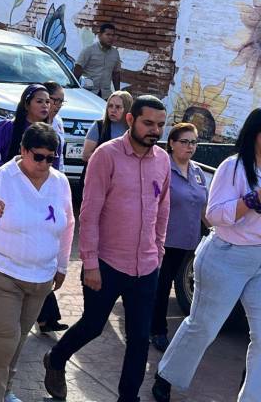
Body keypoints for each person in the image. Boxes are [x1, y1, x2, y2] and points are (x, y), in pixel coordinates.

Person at [44, 95, 170, 402]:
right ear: (130, 120)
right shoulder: (106, 156)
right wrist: (89, 263)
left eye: (160, 125)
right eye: (148, 123)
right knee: (93, 325)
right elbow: (90, 212)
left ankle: (128, 398)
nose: (155, 131)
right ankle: (57, 358)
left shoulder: (162, 159)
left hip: (147, 265)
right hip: (107, 263)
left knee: (139, 338)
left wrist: (158, 248)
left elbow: (163, 206)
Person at [0, 122, 75, 402]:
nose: (44, 163)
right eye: (38, 156)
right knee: (1, 339)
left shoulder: (59, 182)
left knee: (17, 340)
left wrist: (62, 264)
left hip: (39, 279)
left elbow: (68, 225)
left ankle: (5, 389)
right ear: (22, 150)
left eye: (50, 157)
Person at [151, 109, 261, 402]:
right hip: (226, 256)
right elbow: (213, 215)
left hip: (259, 261)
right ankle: (166, 375)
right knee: (205, 327)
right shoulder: (233, 167)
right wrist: (251, 201)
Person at [149, 123, 208, 353]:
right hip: (164, 240)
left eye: (193, 142)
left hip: (188, 241)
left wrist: (216, 231)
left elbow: (204, 208)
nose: (189, 146)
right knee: (160, 287)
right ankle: (157, 330)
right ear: (171, 143)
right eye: (184, 141)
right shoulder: (162, 168)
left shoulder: (197, 172)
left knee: (165, 286)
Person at [36, 80, 69, 334]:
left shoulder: (57, 125)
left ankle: (47, 316)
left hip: (52, 193)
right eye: (50, 100)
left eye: (56, 101)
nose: (53, 106)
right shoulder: (20, 129)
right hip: (29, 194)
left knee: (46, 249)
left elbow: (59, 162)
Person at [0, 84, 55, 170]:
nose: (45, 105)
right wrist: (10, 170)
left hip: (40, 182)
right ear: (26, 105)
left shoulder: (51, 133)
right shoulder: (7, 127)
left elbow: (55, 167)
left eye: (47, 102)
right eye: (39, 101)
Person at [82, 90, 134, 162]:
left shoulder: (133, 130)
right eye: (110, 106)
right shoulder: (99, 126)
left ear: (127, 109)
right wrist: (110, 161)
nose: (113, 110)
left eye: (118, 107)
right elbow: (86, 155)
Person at [74, 23, 121, 99]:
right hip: (88, 92)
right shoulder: (89, 50)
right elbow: (78, 69)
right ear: (100, 36)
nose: (111, 38)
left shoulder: (115, 53)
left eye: (113, 35)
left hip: (106, 95)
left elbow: (116, 74)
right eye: (108, 35)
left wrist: (118, 93)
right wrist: (75, 89)